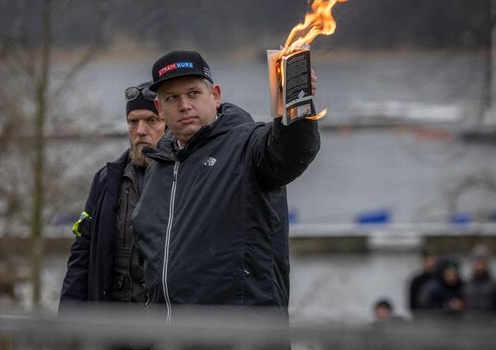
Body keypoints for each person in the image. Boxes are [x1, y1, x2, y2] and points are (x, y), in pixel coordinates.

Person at [130, 50, 320, 318]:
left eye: (193, 93)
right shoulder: (159, 166)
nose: (184, 105)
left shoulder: (248, 146)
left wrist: (296, 105)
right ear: (160, 109)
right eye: (173, 98)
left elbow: (291, 152)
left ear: (215, 96)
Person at [59, 81, 166, 304]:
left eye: (151, 120)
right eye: (132, 122)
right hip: (112, 324)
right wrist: (68, 324)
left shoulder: (183, 176)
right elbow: (81, 255)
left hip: (164, 326)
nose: (140, 131)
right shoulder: (106, 180)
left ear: (169, 123)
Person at [464, 245, 496, 316]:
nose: (479, 264)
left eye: (482, 261)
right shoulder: (466, 283)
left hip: (489, 323)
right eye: (476, 261)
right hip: (470, 322)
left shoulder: (494, 284)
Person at [407, 250, 438, 318]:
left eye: (433, 261)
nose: (431, 264)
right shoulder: (416, 281)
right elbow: (412, 304)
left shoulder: (440, 280)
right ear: (424, 262)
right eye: (428, 261)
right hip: (421, 317)